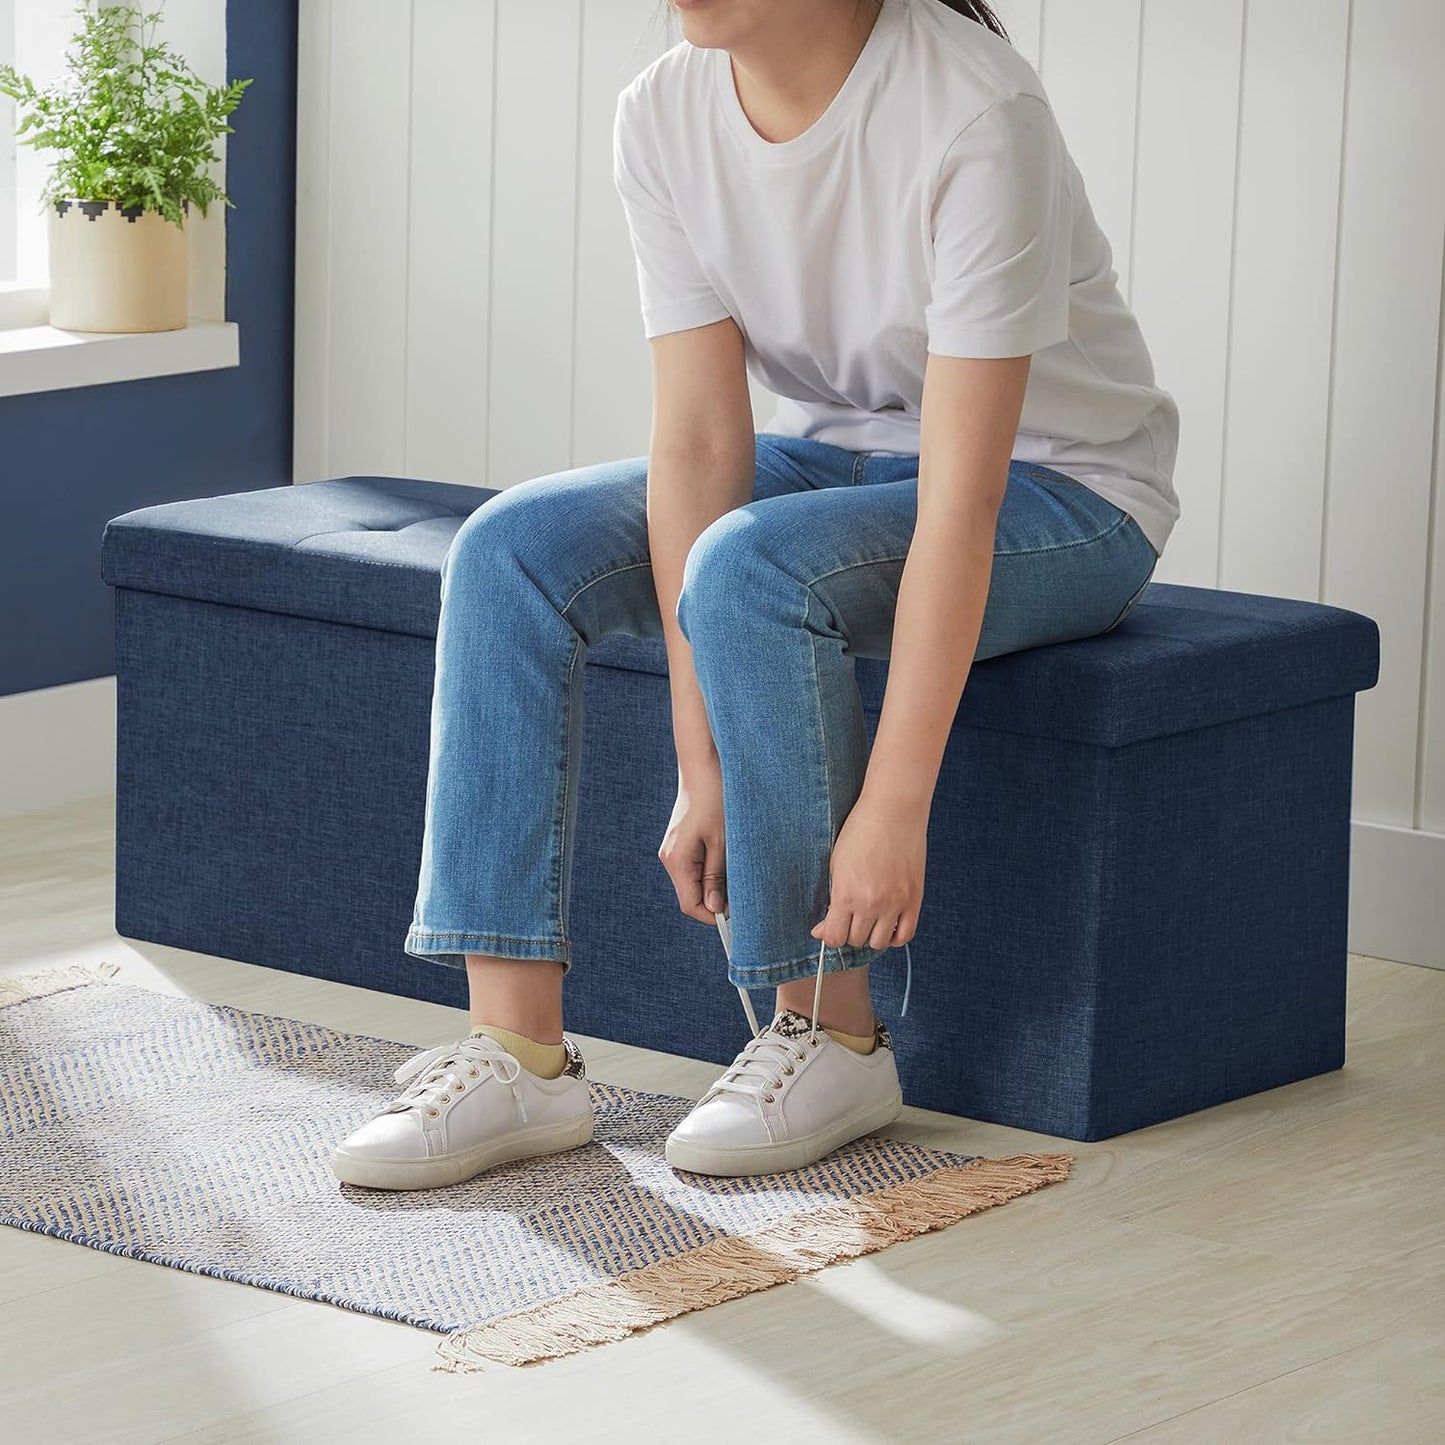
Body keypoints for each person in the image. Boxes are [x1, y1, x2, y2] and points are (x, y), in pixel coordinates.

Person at [330, 0, 1180, 1191]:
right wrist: (702, 764)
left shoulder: (975, 110)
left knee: (753, 565)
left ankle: (827, 1028)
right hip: (839, 457)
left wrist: (894, 802)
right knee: (509, 549)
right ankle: (518, 1045)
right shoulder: (664, 108)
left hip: (1063, 491)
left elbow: (958, 504)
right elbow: (694, 445)